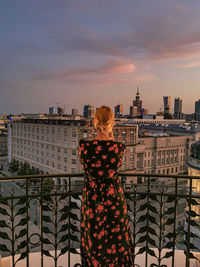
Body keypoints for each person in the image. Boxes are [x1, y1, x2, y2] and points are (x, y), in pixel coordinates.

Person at [78, 105, 134, 267]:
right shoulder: (117, 148)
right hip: (113, 200)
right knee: (116, 240)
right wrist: (110, 135)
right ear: (112, 123)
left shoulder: (85, 148)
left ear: (95, 122)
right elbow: (112, 160)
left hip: (92, 201)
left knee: (93, 239)